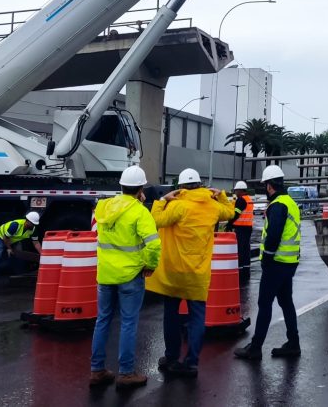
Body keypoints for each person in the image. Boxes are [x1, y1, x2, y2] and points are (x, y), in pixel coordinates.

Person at [147, 167, 236, 378]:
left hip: (175, 272)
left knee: (172, 315)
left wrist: (162, 200)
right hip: (198, 273)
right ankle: (192, 362)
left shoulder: (177, 206)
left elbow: (156, 220)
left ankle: (171, 357)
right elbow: (230, 212)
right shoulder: (212, 207)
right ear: (200, 185)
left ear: (181, 187)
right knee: (197, 317)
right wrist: (221, 194)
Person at [89, 165, 161, 389]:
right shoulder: (140, 211)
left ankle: (97, 370)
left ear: (121, 186)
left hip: (105, 274)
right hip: (130, 275)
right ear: (141, 188)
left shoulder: (103, 207)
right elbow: (153, 244)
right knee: (128, 323)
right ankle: (126, 373)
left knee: (102, 320)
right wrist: (149, 265)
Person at [234, 165, 301, 361]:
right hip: (289, 263)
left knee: (265, 304)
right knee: (286, 302)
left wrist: (267, 259)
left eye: (265, 185)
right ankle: (293, 343)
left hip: (276, 263)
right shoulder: (290, 202)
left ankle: (255, 348)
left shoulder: (278, 205)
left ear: (270, 186)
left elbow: (274, 236)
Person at [0, 211, 42, 285]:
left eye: (34, 224)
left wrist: (42, 254)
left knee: (19, 255)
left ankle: (18, 276)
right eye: (32, 223)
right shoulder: (15, 225)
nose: (33, 226)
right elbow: (5, 238)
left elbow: (36, 243)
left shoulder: (33, 229)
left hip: (14, 240)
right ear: (27, 220)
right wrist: (9, 249)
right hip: (1, 237)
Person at [230, 180, 254, 274]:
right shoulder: (249, 199)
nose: (235, 192)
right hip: (248, 227)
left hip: (240, 227)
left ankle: (240, 267)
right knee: (246, 247)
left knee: (240, 248)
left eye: (236, 190)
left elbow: (236, 214)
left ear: (240, 190)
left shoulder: (241, 200)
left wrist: (230, 224)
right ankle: (246, 266)